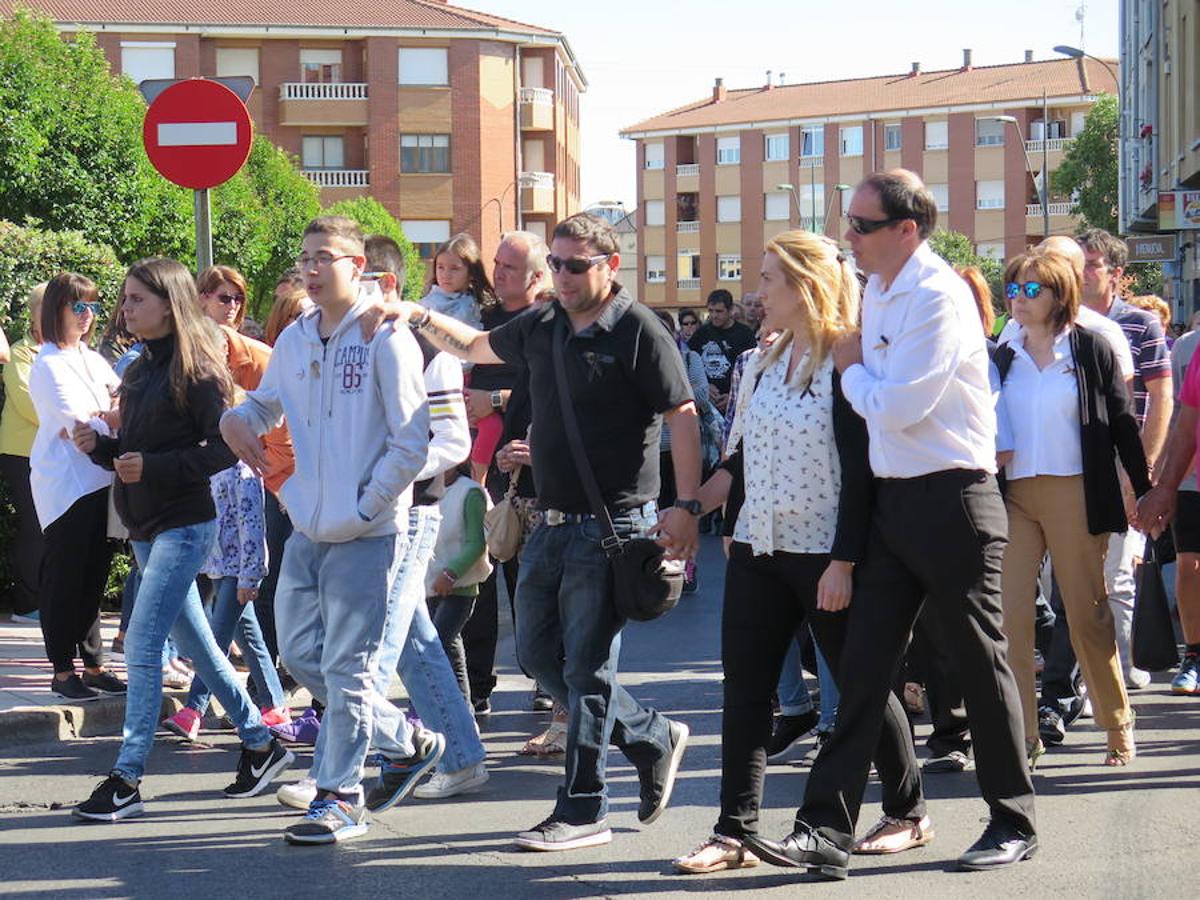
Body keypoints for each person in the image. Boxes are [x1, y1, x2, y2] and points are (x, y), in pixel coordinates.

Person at [745, 170, 1036, 877]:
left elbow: (900, 405)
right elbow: (883, 408)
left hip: (954, 501)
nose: (851, 237)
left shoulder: (937, 296)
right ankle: (823, 830)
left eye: (863, 226)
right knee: (861, 667)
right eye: (849, 223)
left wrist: (848, 367)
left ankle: (1011, 819)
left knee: (977, 659)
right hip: (893, 502)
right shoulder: (877, 289)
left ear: (908, 230)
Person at [392, 212, 701, 852]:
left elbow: (683, 414)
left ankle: (584, 808)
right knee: (535, 657)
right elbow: (475, 347)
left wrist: (688, 507)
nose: (561, 276)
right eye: (555, 263)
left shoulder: (638, 329)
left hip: (612, 525)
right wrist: (410, 314)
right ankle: (648, 734)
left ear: (610, 267)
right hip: (547, 520)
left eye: (574, 265)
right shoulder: (543, 323)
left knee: (586, 669)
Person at [671, 230, 928, 875]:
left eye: (767, 280)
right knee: (746, 691)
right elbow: (741, 457)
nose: (757, 294)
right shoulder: (759, 361)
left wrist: (844, 563)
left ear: (805, 287)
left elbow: (861, 471)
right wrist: (694, 509)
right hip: (760, 543)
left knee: (862, 684)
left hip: (825, 554)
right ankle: (734, 831)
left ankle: (906, 811)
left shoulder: (849, 359)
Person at [220, 217, 439, 845]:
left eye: (325, 258)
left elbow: (411, 440)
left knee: (348, 667)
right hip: (306, 526)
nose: (310, 269)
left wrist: (368, 506)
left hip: (367, 534)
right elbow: (266, 406)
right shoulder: (293, 339)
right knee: (298, 654)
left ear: (357, 267)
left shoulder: (383, 337)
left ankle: (341, 796)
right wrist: (239, 419)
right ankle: (407, 740)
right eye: (305, 257)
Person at [71, 258, 293, 822]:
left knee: (143, 647)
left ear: (169, 305)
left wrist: (154, 468)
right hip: (145, 527)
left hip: (186, 526)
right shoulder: (141, 369)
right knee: (199, 647)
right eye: (125, 299)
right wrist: (96, 447)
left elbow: (223, 448)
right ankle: (262, 742)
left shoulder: (200, 372)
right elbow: (135, 455)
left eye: (136, 300)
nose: (125, 309)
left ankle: (126, 778)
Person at [995, 249, 1146, 767]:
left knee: (1085, 614)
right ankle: (1022, 736)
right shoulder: (1004, 350)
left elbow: (1122, 421)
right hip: (1014, 495)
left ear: (1060, 295)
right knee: (1010, 619)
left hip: (1075, 490)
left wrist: (1140, 489)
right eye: (1013, 288)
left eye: (1031, 289)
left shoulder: (1090, 348)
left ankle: (1116, 723)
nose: (1018, 298)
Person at [460, 232, 552, 715]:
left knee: (526, 578)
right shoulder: (484, 321)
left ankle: (543, 676)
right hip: (478, 460)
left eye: (510, 268)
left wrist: (493, 401)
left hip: (530, 468)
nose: (499, 274)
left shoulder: (549, 322)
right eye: (496, 264)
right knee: (476, 571)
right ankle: (477, 685)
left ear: (538, 276)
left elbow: (551, 388)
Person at [1078, 229, 1172, 691]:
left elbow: (1161, 397)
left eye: (1091, 264)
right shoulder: (1060, 323)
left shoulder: (1139, 324)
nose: (1080, 273)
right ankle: (1077, 671)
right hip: (1070, 467)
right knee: (1073, 578)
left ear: (1115, 274)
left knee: (1117, 574)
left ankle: (1119, 666)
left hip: (1121, 464)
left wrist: (1142, 472)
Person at [27, 274, 124, 700]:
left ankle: (94, 664)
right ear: (56, 311)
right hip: (67, 486)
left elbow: (122, 403)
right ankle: (62, 669)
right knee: (65, 578)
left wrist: (110, 415)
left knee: (94, 576)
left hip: (102, 480)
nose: (87, 317)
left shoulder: (92, 359)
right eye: (78, 308)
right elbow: (80, 425)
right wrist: (110, 416)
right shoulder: (46, 364)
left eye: (93, 308)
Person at [162, 451, 290, 741]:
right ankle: (275, 704)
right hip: (219, 567)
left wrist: (251, 575)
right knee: (250, 638)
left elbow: (254, 526)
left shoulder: (243, 471)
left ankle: (194, 709)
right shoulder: (213, 466)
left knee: (215, 640)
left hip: (239, 570)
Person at [1, 284, 47, 625]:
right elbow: (28, 401)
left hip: (56, 454)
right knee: (34, 525)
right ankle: (26, 603)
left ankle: (47, 596)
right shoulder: (21, 353)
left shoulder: (73, 352)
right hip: (23, 452)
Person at [426, 463, 491, 703]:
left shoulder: (470, 493)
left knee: (438, 644)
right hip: (430, 586)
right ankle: (460, 710)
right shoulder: (424, 493)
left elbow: (477, 543)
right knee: (449, 648)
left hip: (460, 588)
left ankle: (461, 709)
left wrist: (451, 574)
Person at [689, 289, 756, 414]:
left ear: (730, 310)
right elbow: (687, 365)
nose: (714, 315)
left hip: (736, 404)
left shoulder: (745, 334)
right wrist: (704, 386)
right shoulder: (701, 333)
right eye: (711, 311)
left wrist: (733, 395)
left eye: (719, 311)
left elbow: (752, 371)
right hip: (706, 405)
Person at [197, 265, 249, 331]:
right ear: (203, 299)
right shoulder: (186, 338)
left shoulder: (243, 340)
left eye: (238, 299)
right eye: (225, 298)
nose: (232, 306)